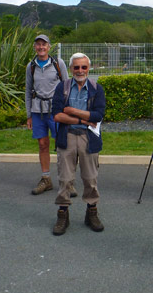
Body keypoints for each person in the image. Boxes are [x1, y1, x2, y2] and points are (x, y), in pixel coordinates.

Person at [51, 53, 106, 235]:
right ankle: (63, 213)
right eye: (76, 67)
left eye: (83, 67)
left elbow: (98, 116)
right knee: (65, 179)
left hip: (88, 138)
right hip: (66, 137)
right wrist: (83, 119)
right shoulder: (63, 87)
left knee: (90, 178)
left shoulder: (97, 89)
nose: (80, 71)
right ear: (71, 68)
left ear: (88, 68)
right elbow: (57, 115)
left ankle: (91, 212)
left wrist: (72, 111)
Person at [25, 34, 70, 196]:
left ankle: (67, 181)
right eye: (38, 44)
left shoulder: (58, 64)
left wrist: (66, 110)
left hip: (56, 110)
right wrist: (29, 114)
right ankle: (46, 179)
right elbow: (28, 91)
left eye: (44, 44)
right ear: (35, 47)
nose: (41, 47)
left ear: (49, 47)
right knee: (42, 144)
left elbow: (67, 86)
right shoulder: (31, 66)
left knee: (62, 145)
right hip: (38, 111)